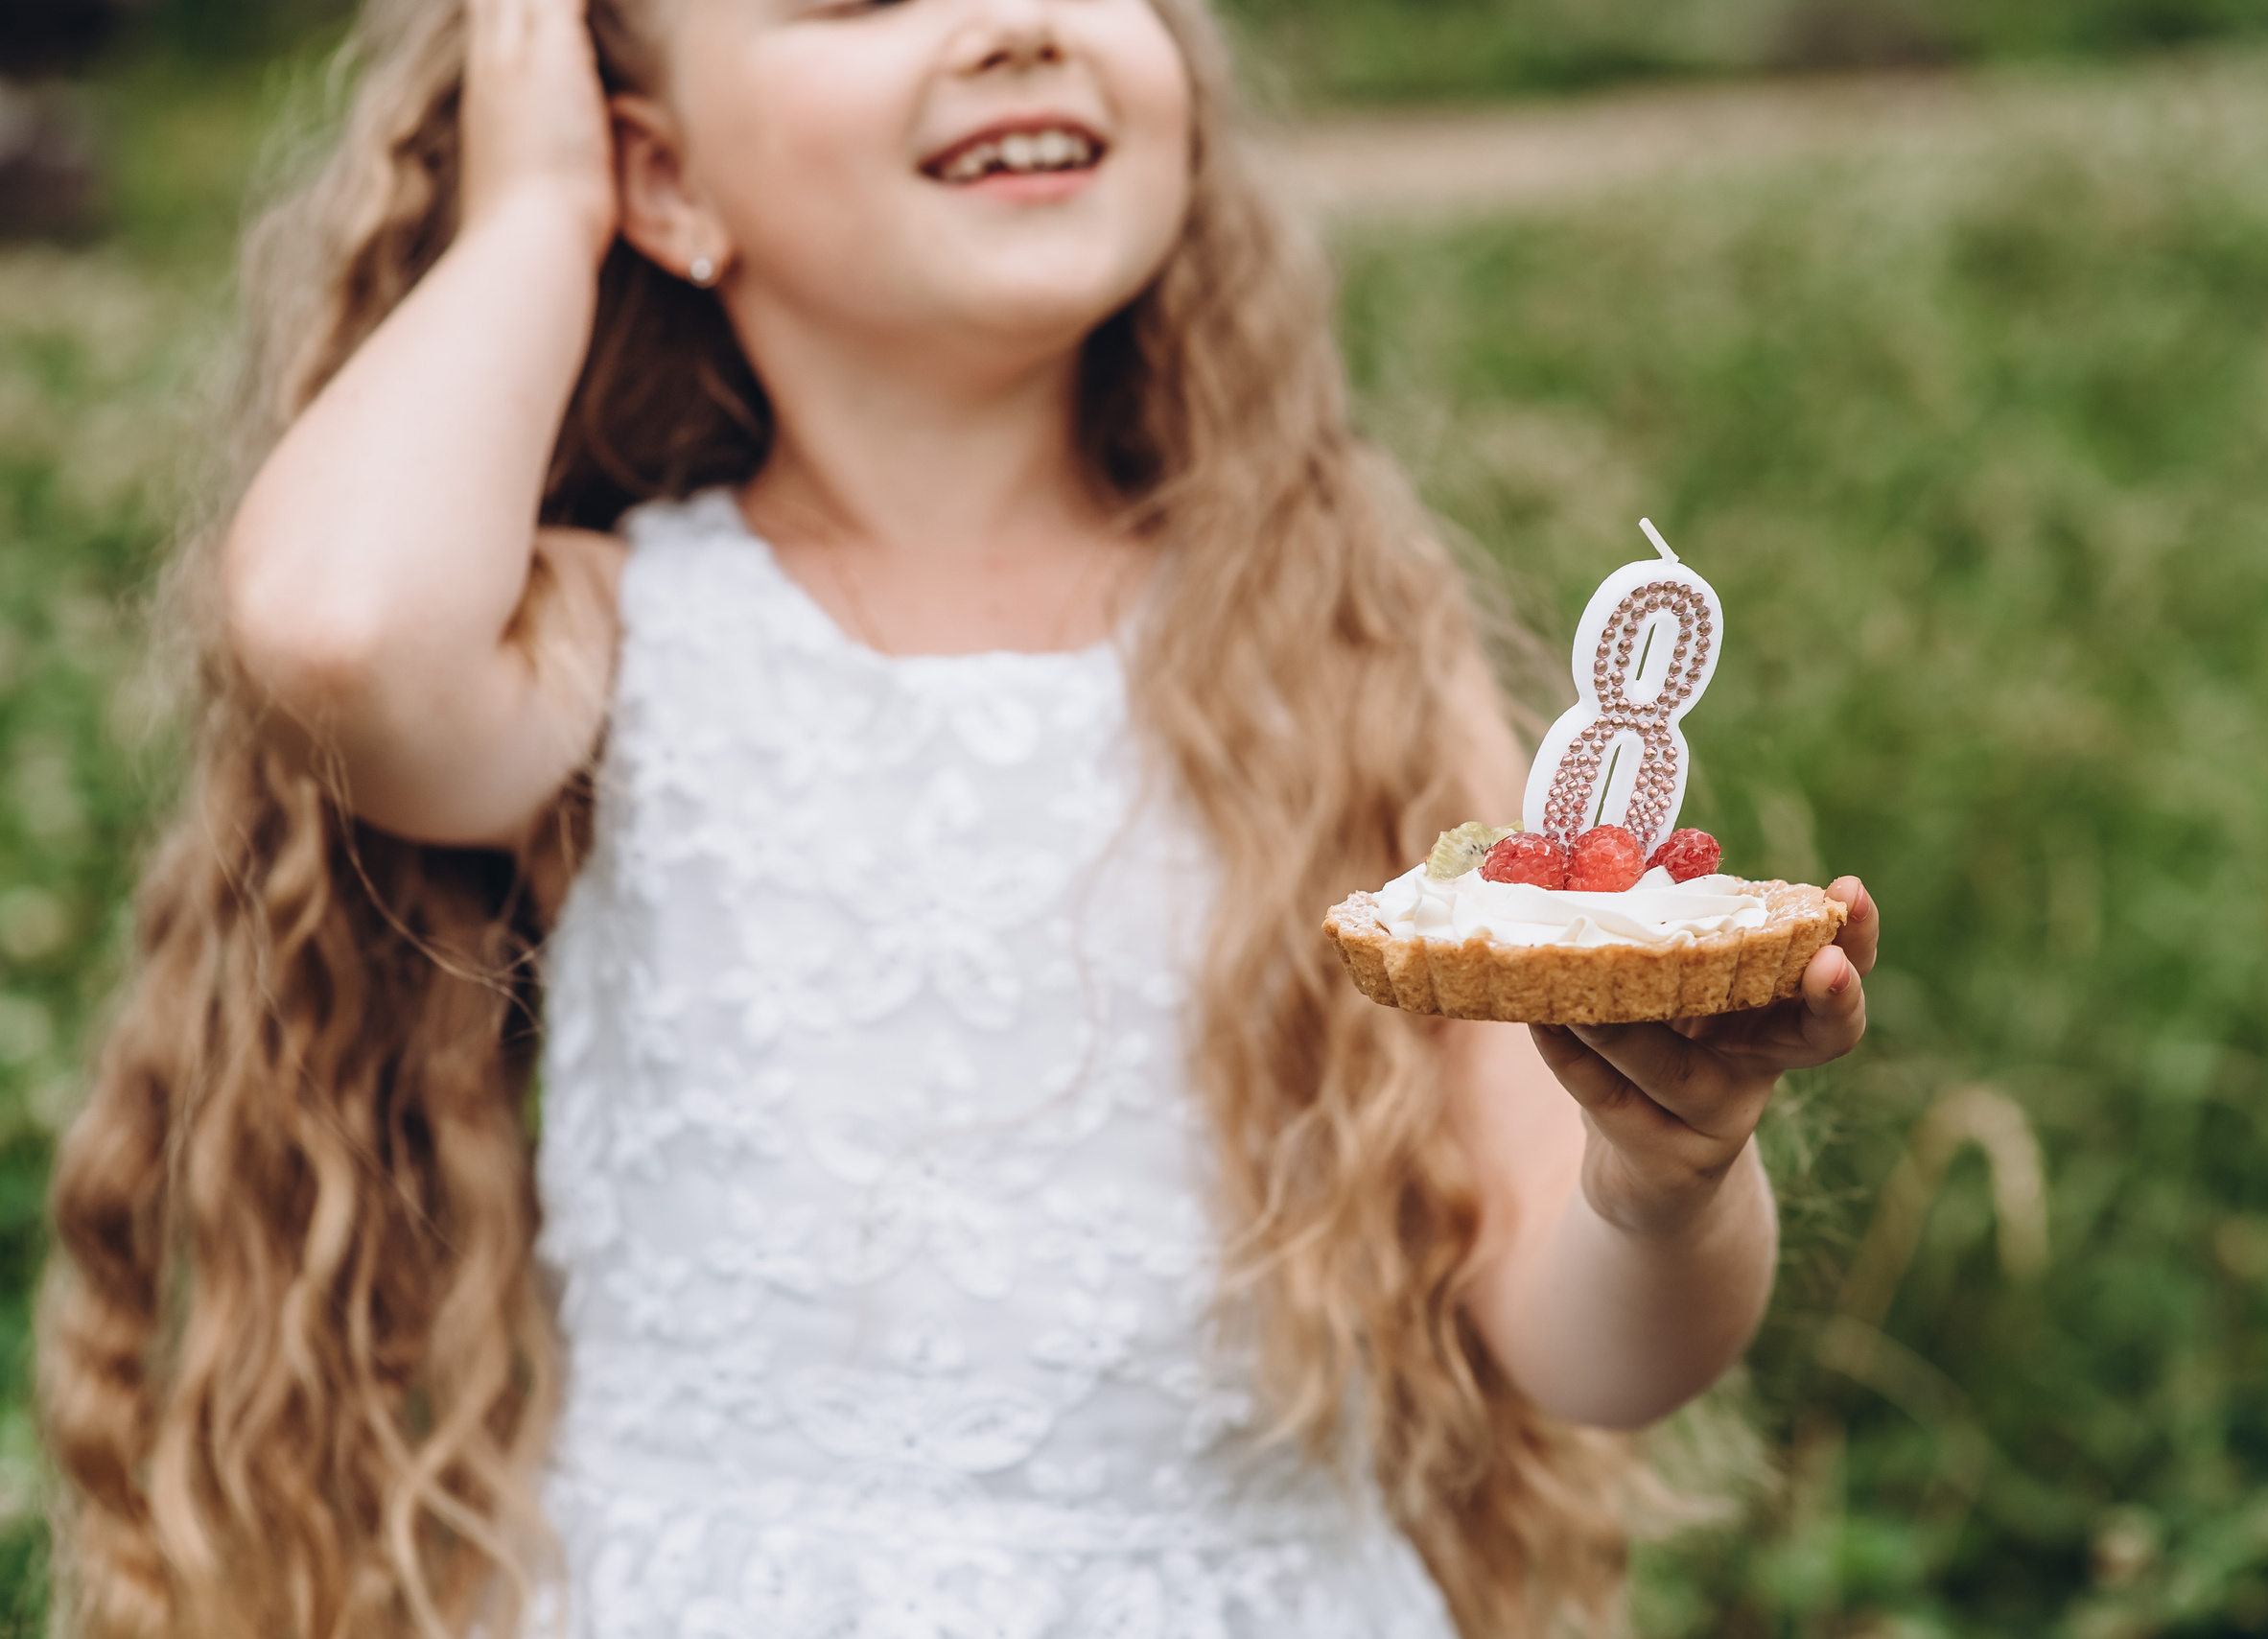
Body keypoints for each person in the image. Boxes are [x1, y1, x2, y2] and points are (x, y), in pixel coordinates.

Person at [37, 0, 1882, 1634]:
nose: (1011, 21)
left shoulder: (1332, 645)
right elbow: (337, 623)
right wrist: (533, 212)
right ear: (663, 178)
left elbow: (1587, 1349)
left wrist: (1663, 1180)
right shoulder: (612, 634)